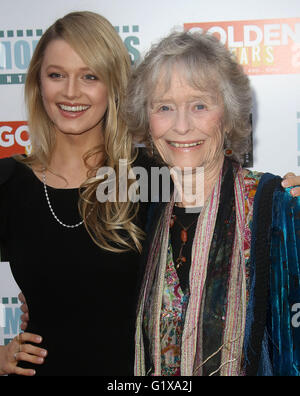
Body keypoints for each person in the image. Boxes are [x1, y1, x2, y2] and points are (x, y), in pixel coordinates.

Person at [124, 31, 300, 376]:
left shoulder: (276, 207)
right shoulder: (147, 212)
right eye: (164, 107)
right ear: (146, 119)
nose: (182, 125)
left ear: (229, 113)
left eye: (200, 106)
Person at [0, 11, 148, 376]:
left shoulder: (151, 176)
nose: (70, 92)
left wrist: (285, 196)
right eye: (56, 75)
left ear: (113, 85)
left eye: (89, 76)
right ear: (38, 81)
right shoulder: (7, 180)